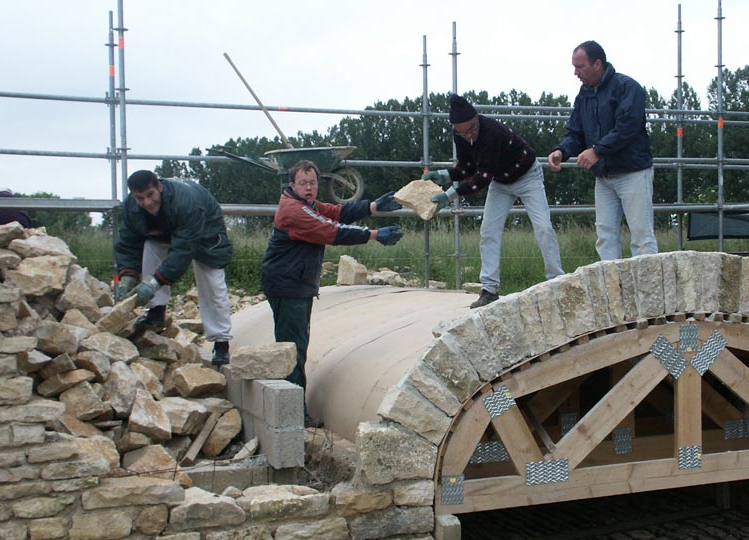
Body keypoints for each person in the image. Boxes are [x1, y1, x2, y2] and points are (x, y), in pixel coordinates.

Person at [260, 159, 403, 428]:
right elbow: (330, 231)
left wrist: (371, 206)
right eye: (303, 183)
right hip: (287, 285)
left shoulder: (307, 205)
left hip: (294, 283)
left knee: (294, 345)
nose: (309, 187)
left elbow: (336, 212)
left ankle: (291, 408)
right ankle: (293, 414)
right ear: (292, 185)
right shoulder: (295, 211)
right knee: (293, 348)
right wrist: (373, 235)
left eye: (312, 182)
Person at [425, 94, 564, 309]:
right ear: (456, 128)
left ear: (477, 118)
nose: (469, 135)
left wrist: (449, 195)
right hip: (500, 181)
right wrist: (444, 175)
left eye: (472, 128)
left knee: (543, 227)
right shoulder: (460, 135)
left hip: (527, 175)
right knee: (488, 231)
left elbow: (481, 177)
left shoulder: (492, 132)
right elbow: (466, 168)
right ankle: (489, 289)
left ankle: (557, 281)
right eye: (463, 132)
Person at [547, 40, 659, 261]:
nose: (575, 72)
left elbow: (627, 127)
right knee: (605, 236)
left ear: (597, 63)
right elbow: (576, 131)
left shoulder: (628, 88)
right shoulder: (584, 94)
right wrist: (562, 151)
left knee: (642, 237)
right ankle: (611, 291)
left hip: (633, 173)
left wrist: (597, 150)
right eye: (574, 66)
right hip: (604, 176)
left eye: (580, 67)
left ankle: (648, 293)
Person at [114, 170, 234, 366]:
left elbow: (183, 250)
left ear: (159, 187)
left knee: (212, 284)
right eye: (140, 198)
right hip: (166, 231)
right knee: (150, 248)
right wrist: (127, 275)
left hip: (206, 233)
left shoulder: (186, 202)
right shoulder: (130, 207)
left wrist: (153, 283)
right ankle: (156, 312)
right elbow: (128, 242)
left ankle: (221, 342)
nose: (147, 203)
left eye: (150, 195)